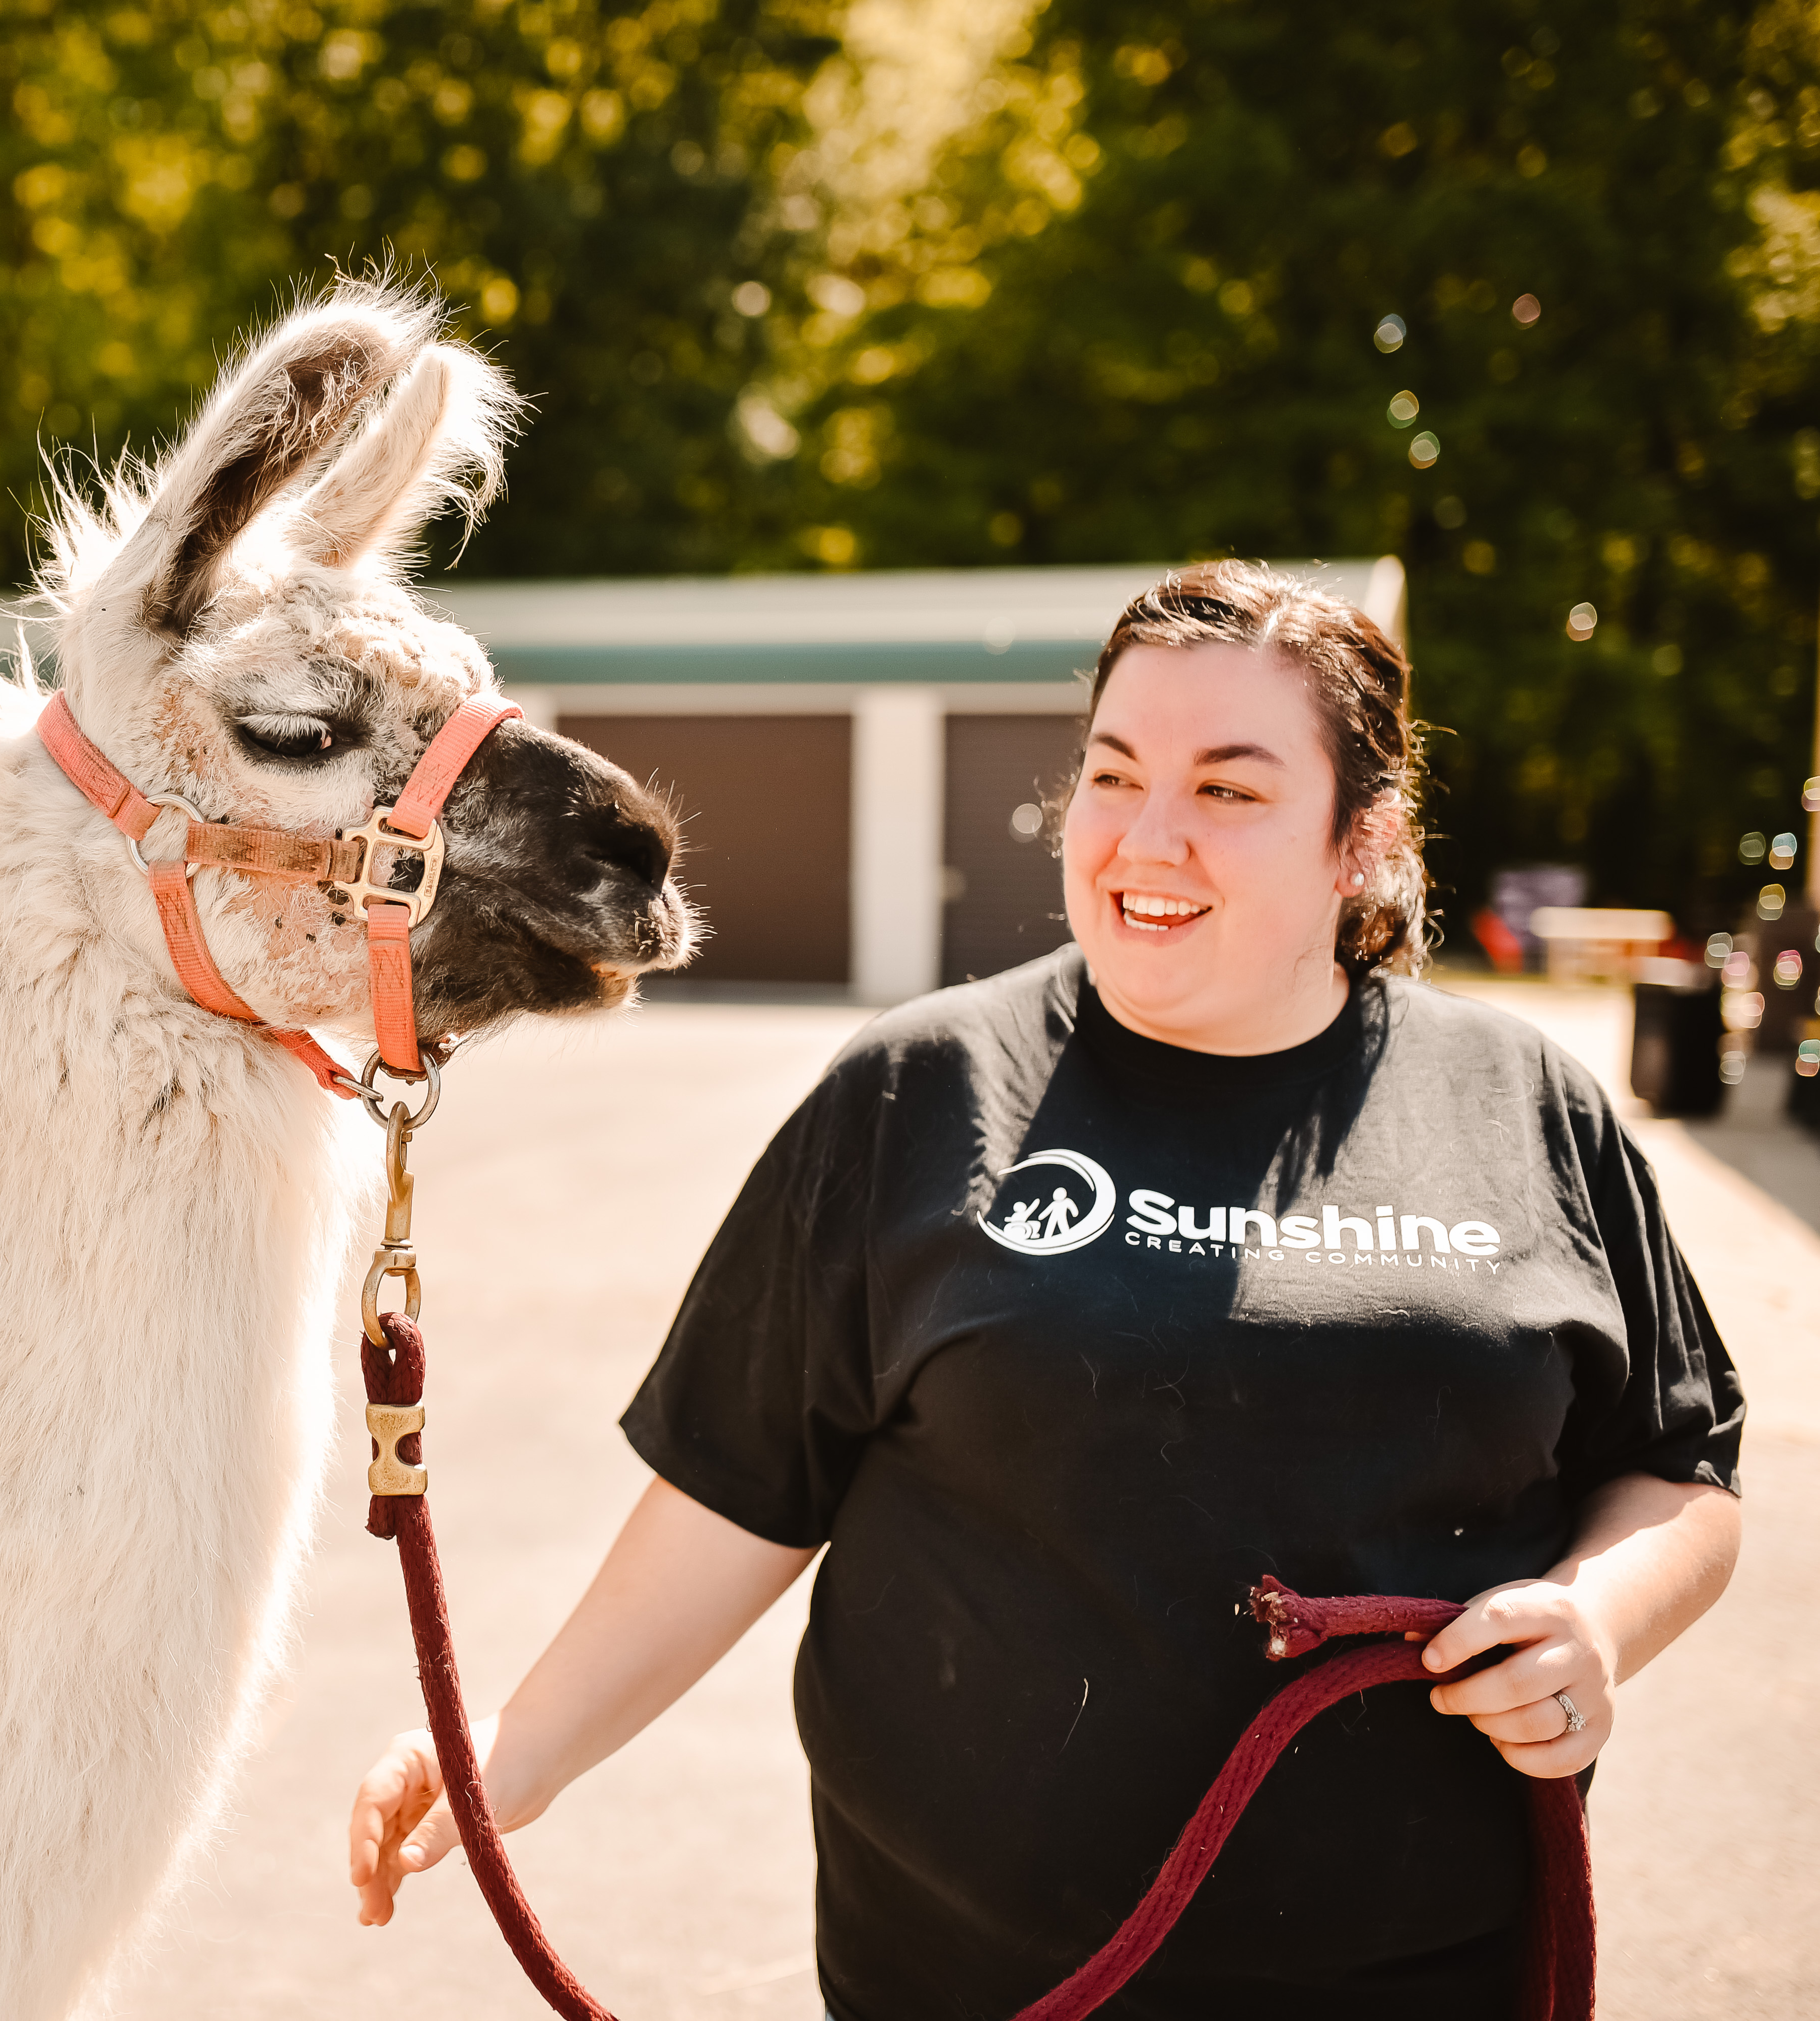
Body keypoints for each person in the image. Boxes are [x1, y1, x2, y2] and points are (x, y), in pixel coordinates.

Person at [345, 562, 1744, 2019]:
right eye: (1112, 774)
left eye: (1228, 791)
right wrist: (511, 1748)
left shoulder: (1519, 1102)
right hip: (975, 1985)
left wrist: (1598, 1621)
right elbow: (738, 1484)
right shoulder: (920, 1091)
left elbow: (1677, 1470)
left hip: (1426, 1977)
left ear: (1360, 842)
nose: (1147, 837)